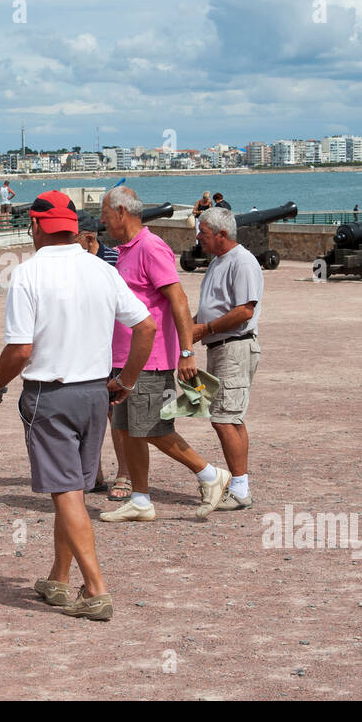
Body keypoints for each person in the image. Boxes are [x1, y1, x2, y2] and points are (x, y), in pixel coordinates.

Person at [0, 191, 156, 621]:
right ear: (73, 228)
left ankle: (95, 589)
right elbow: (146, 327)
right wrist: (125, 381)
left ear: (35, 227)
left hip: (49, 395)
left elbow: (20, 351)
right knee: (70, 488)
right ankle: (58, 578)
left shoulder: (27, 274)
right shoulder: (101, 269)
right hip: (95, 393)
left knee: (67, 491)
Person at [97, 186, 231, 523]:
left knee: (153, 427)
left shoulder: (150, 246)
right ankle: (141, 500)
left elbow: (179, 300)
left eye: (104, 215)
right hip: (124, 359)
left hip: (149, 358)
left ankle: (211, 475)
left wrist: (186, 352)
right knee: (128, 431)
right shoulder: (124, 249)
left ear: (121, 213)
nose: (102, 223)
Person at [191, 207, 263, 512]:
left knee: (223, 418)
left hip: (233, 346)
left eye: (203, 233)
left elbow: (245, 310)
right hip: (221, 347)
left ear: (222, 234)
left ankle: (239, 487)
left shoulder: (242, 261)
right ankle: (239, 484)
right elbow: (214, 308)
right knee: (231, 417)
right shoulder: (219, 262)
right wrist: (191, 331)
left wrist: (203, 329)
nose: (198, 238)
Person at [77, 211, 127, 495]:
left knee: (115, 415)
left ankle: (124, 473)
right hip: (84, 348)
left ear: (89, 237)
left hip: (112, 347)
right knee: (88, 414)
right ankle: (93, 474)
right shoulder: (74, 264)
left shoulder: (115, 260)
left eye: (75, 238)